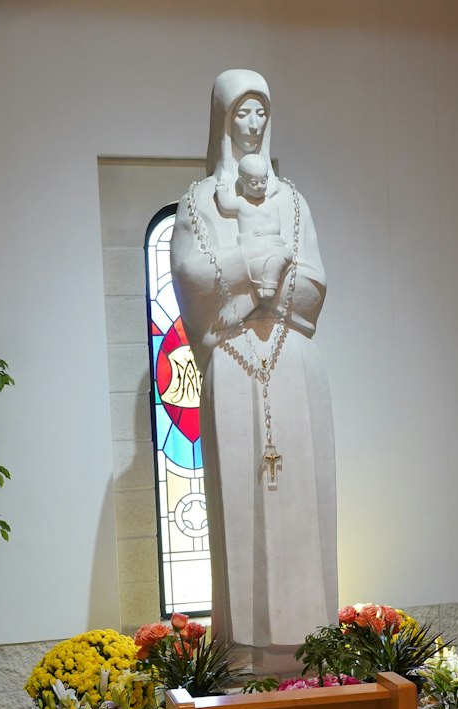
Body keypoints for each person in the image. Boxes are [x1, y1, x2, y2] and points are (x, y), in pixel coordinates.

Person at [170, 69, 336, 676]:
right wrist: (252, 266)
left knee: (302, 508)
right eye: (242, 112)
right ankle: (243, 651)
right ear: (222, 119)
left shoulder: (294, 200)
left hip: (293, 365)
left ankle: (308, 652)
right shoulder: (197, 201)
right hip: (235, 368)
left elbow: (315, 285)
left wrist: (271, 285)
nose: (253, 124)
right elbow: (192, 276)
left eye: (262, 111)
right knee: (240, 506)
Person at [214, 153, 293, 304]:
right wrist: (221, 191)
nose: (259, 187)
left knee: (280, 256)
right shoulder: (241, 203)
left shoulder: (270, 204)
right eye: (254, 183)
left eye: (263, 182)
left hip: (270, 242)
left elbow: (276, 226)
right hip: (249, 245)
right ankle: (260, 285)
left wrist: (264, 231)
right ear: (243, 181)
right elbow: (225, 207)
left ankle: (270, 283)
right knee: (254, 263)